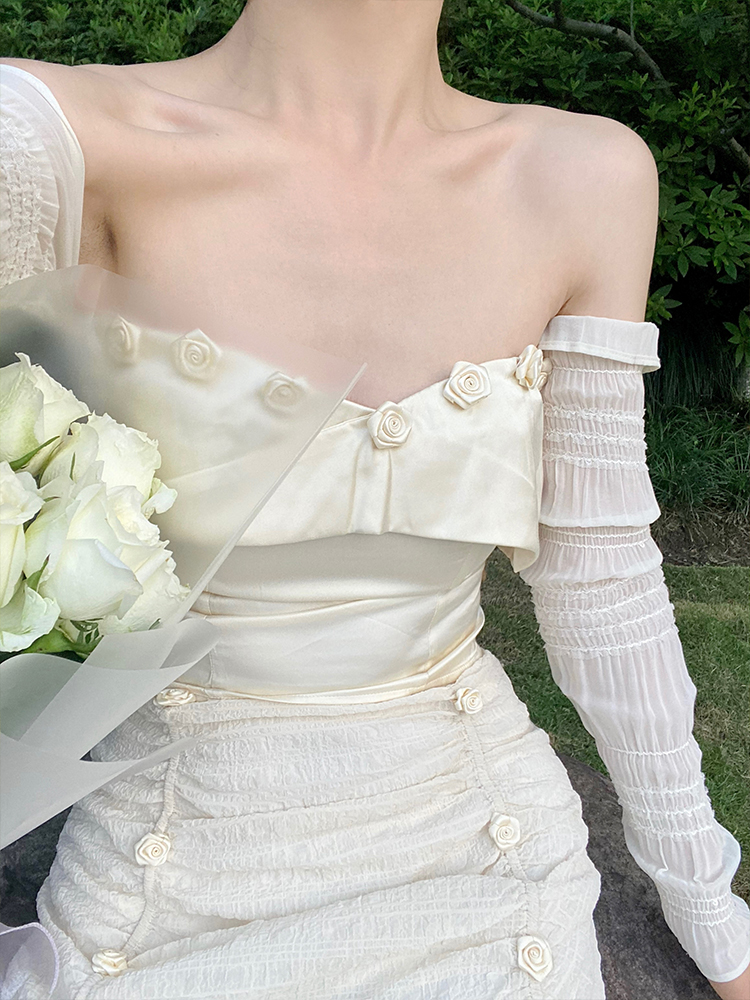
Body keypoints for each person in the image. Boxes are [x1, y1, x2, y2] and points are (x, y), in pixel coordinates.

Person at [1, 1, 748, 997]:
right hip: (162, 873)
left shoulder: (587, 178)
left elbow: (598, 574)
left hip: (487, 855)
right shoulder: (47, 142)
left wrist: (708, 903)